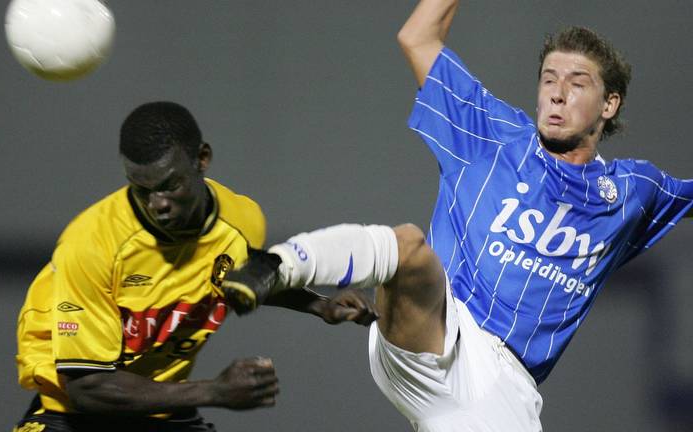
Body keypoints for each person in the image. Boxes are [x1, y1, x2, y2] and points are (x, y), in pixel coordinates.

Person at [221, 1, 693, 430]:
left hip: (504, 389)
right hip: (435, 331)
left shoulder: (635, 191)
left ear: (609, 104)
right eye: (549, 79)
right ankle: (277, 265)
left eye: (577, 83)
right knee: (406, 246)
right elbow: (418, 37)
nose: (556, 93)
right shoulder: (491, 132)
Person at [13, 101, 378, 432]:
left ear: (202, 158)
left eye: (169, 185)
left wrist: (318, 304)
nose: (157, 204)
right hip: (72, 415)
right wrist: (214, 391)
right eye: (141, 189)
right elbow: (88, 387)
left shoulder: (241, 221)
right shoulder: (91, 244)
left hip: (162, 411)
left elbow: (230, 277)